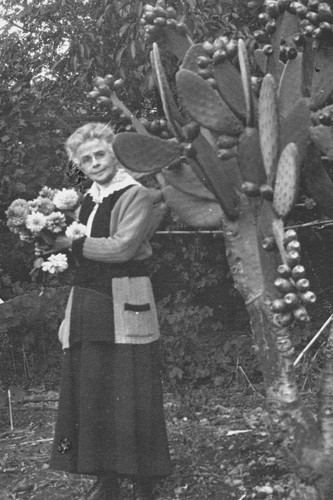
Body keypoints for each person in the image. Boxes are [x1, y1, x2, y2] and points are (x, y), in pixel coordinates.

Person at [49, 122, 171, 500]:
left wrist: (72, 244)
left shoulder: (137, 195)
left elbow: (121, 249)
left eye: (100, 154)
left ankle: (145, 477)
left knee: (132, 387)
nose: (94, 163)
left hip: (125, 299)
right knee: (92, 390)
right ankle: (107, 476)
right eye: (85, 159)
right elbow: (81, 255)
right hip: (87, 301)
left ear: (115, 154)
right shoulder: (86, 200)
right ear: (79, 167)